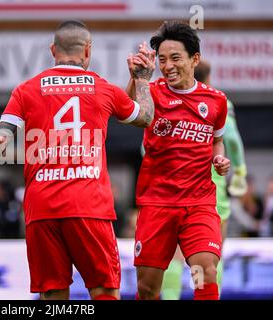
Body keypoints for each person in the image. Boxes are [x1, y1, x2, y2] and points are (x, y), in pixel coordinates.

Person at [0, 20, 155, 300]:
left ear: (53, 50)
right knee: (103, 290)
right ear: (88, 51)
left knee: (53, 295)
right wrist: (141, 78)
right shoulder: (103, 89)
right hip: (89, 206)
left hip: (42, 209)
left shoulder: (27, 90)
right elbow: (144, 116)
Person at [126, 21, 231, 300]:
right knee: (148, 288)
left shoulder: (217, 101)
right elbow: (129, 112)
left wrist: (219, 158)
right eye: (161, 59)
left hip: (199, 203)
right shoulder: (154, 91)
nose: (167, 65)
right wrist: (138, 77)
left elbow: (216, 140)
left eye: (175, 58)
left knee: (205, 272)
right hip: (157, 203)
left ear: (194, 59)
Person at [160, 59, 249, 299]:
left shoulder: (169, 101)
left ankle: (170, 297)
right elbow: (231, 138)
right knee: (212, 254)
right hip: (212, 191)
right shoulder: (218, 100)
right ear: (209, 78)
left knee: (175, 254)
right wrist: (240, 172)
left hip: (175, 188)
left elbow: (145, 149)